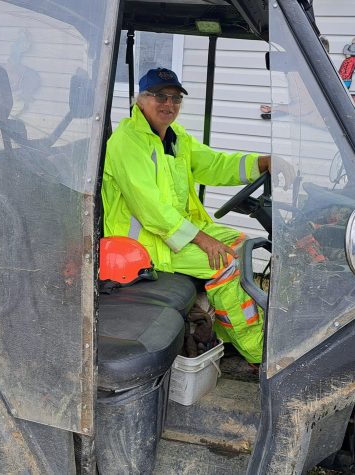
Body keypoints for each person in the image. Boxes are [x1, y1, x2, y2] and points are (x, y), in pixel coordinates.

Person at [102, 67, 280, 363]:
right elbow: (152, 209)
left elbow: (214, 164)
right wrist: (202, 239)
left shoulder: (174, 138)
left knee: (243, 244)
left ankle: (224, 332)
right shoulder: (127, 142)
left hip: (175, 233)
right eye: (160, 96)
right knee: (226, 263)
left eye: (175, 98)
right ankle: (257, 352)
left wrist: (261, 163)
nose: (168, 105)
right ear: (141, 100)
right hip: (145, 247)